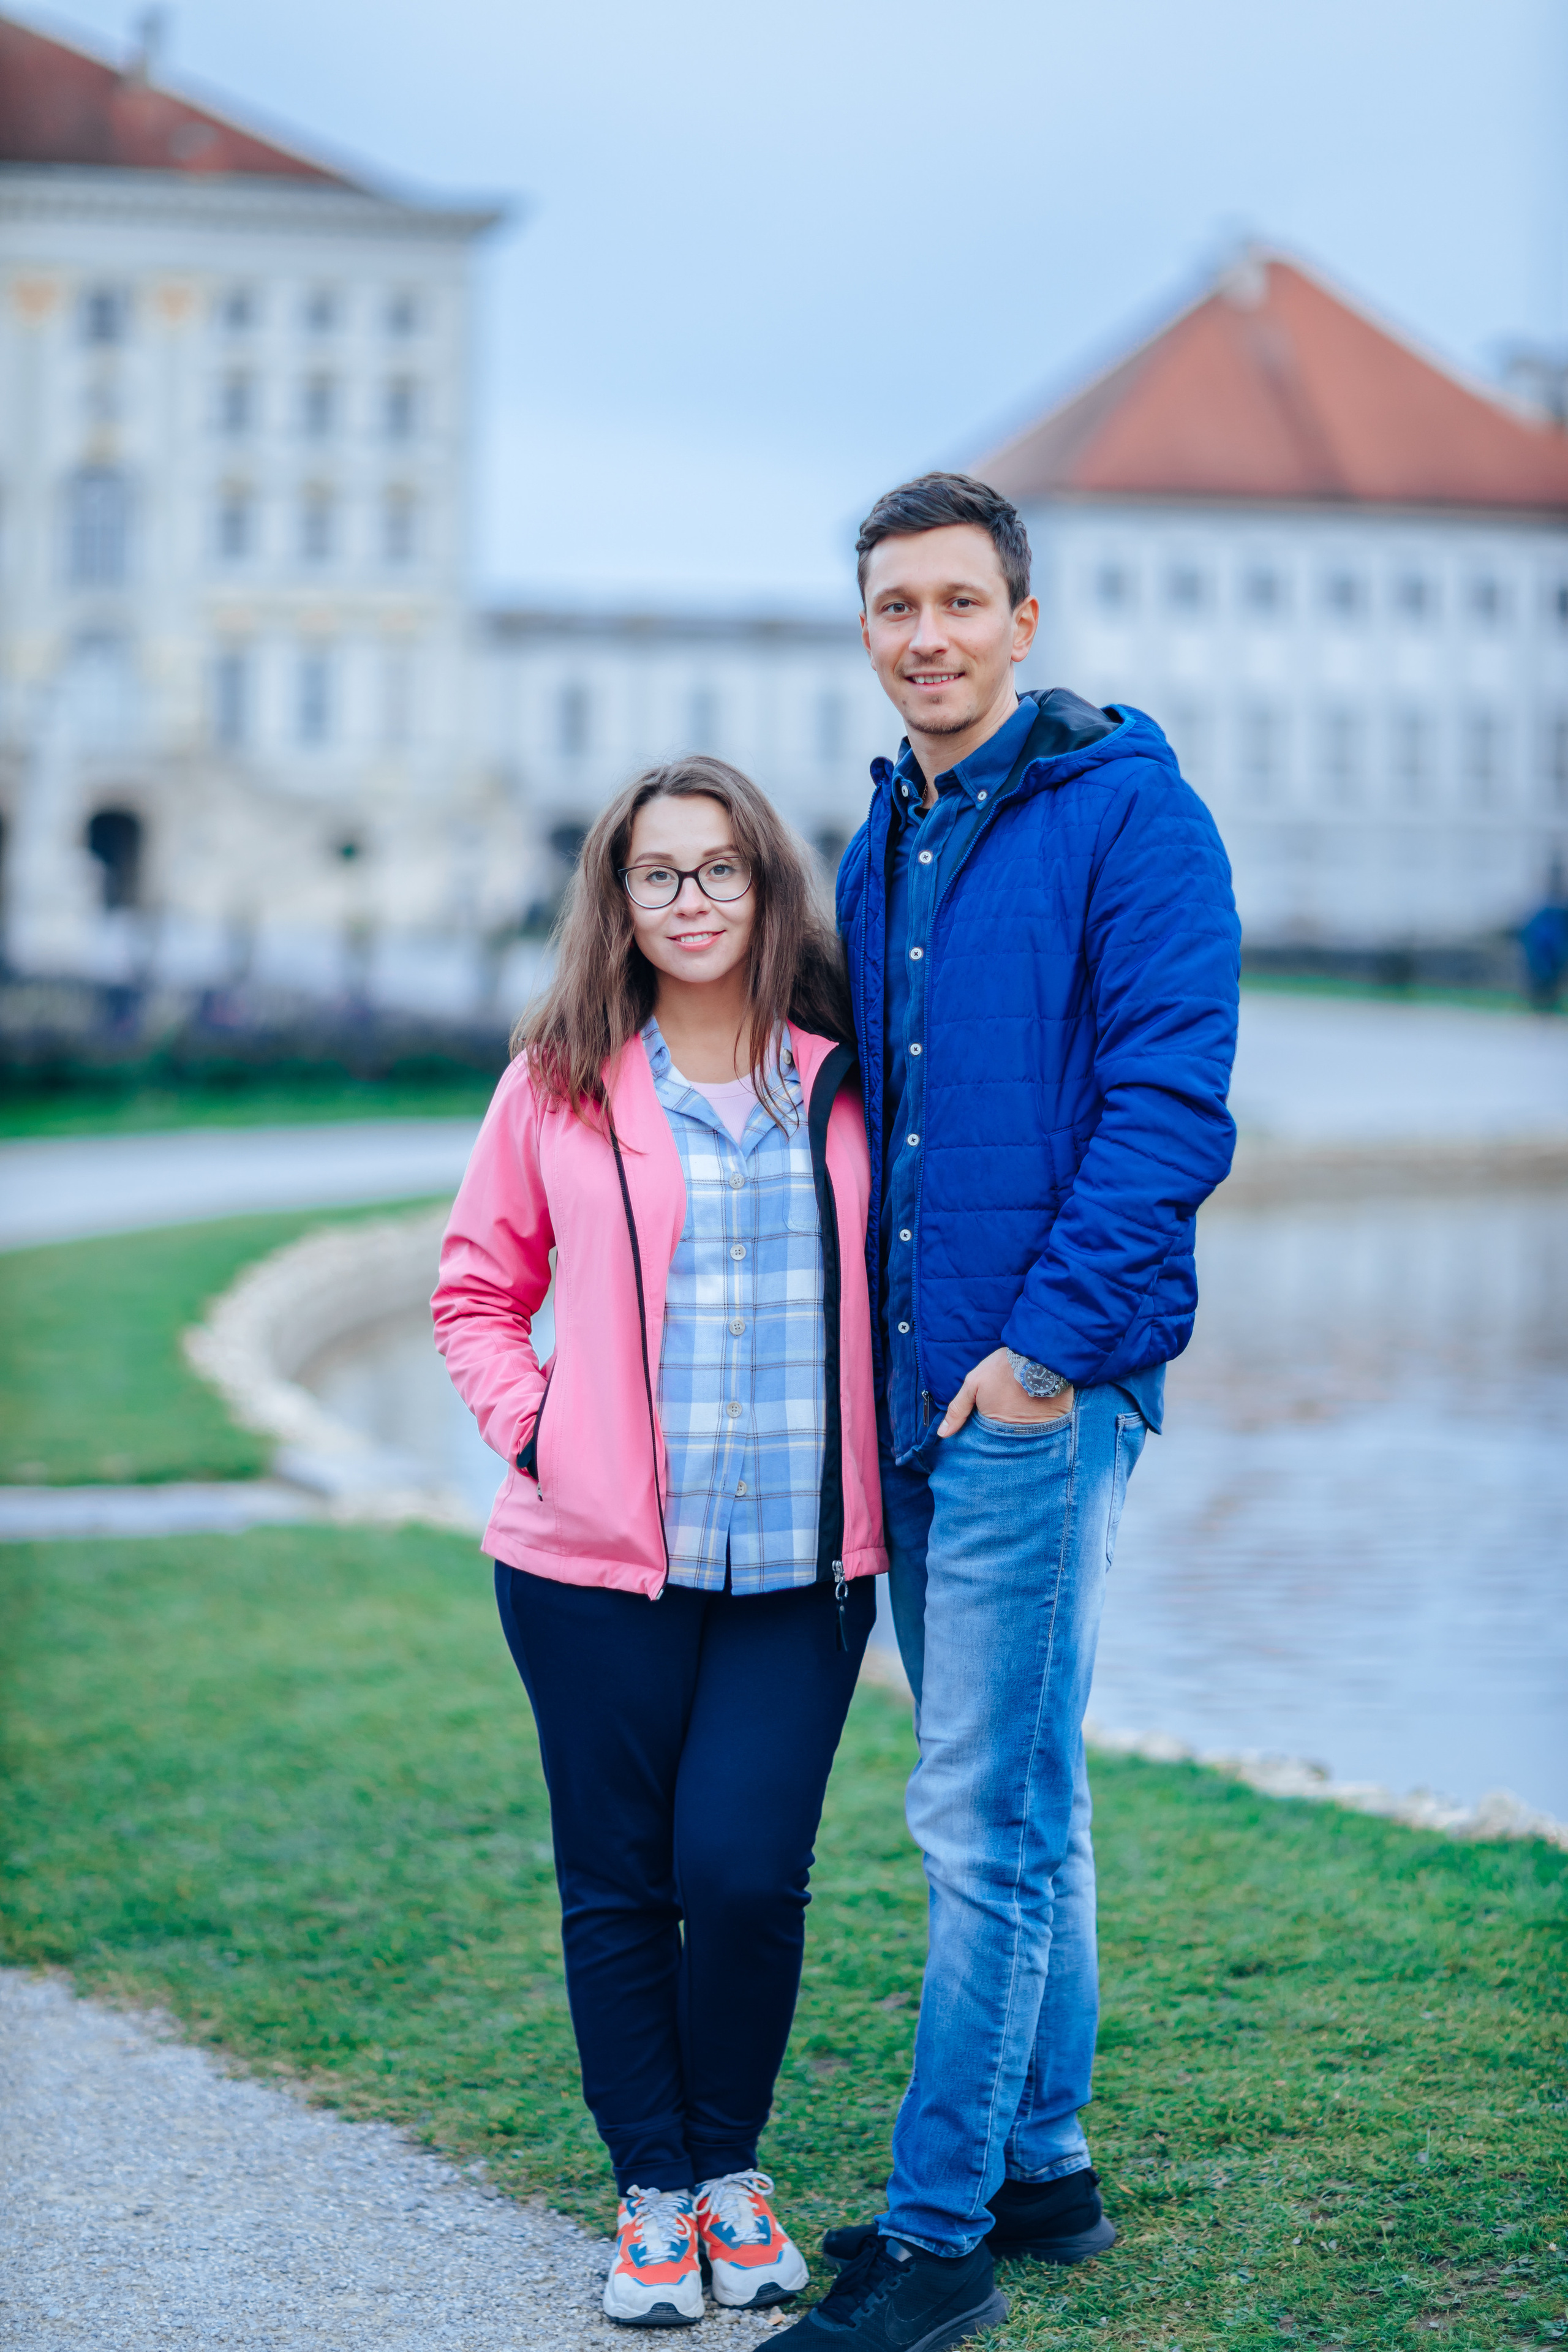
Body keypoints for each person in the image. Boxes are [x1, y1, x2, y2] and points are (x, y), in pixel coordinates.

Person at [777, 475, 1240, 2352]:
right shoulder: (885, 835)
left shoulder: (1136, 814)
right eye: (896, 607)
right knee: (1029, 1797)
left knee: (978, 1817)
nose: (929, 637)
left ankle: (939, 2234)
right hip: (916, 1399)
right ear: (868, 632)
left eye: (960, 602)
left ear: (1023, 623)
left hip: (1037, 1396)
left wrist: (1042, 1358)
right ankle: (1043, 2169)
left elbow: (1169, 1110)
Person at [432, 758, 886, 2328]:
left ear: (766, 884)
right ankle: (655, 2196)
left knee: (746, 1876)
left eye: (718, 870)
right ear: (616, 901)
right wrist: (539, 1434)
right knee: (621, 1882)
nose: (690, 901)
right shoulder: (556, 1079)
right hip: (589, 1570)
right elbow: (475, 1290)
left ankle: (728, 2169)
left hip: (799, 1573)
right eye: (656, 874)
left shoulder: (848, 1079)